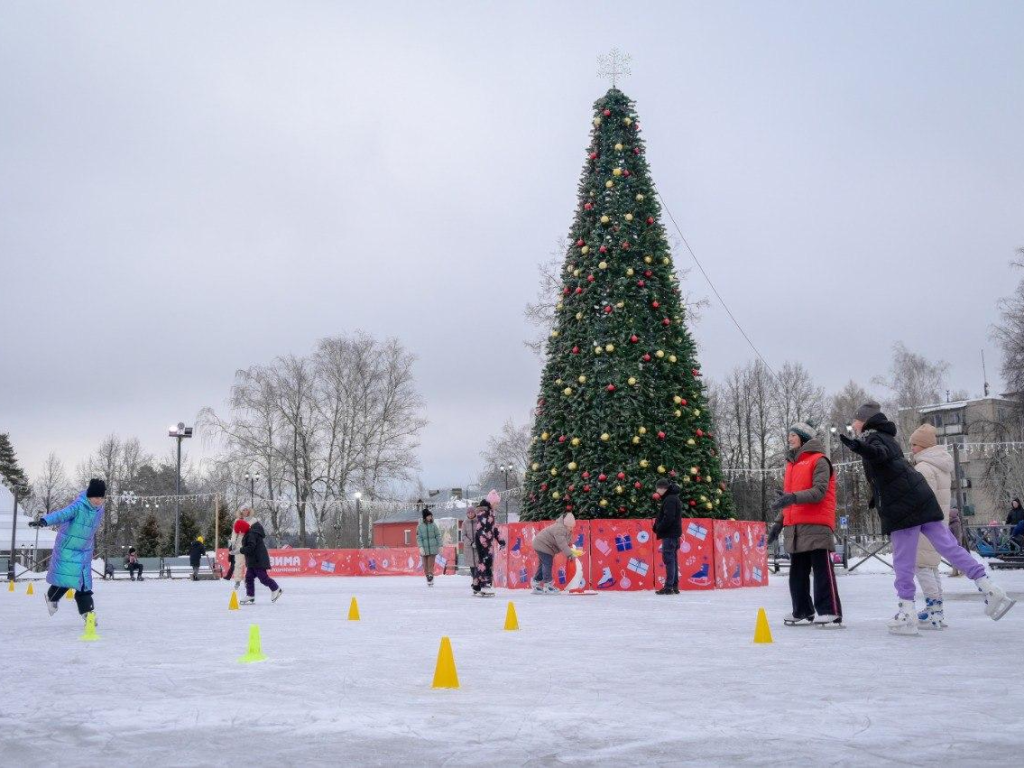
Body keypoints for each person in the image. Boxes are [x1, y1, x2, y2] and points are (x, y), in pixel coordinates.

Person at [840, 403, 1014, 634]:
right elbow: (889, 467)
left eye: (855, 419)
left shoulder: (873, 439)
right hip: (921, 499)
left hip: (903, 508)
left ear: (865, 420)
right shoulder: (885, 437)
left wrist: (860, 447)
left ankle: (906, 612)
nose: (853, 424)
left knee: (903, 561)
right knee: (950, 547)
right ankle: (989, 588)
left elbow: (879, 455)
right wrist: (876, 497)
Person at [769, 423, 843, 627]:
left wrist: (791, 498)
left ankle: (830, 611)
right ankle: (802, 610)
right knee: (797, 572)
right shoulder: (791, 465)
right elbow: (789, 502)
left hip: (816, 524)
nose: (789, 438)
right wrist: (778, 524)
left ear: (803, 438)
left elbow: (819, 492)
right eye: (789, 434)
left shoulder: (820, 461)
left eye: (793, 435)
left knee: (821, 570)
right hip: (796, 526)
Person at [29, 478, 106, 622]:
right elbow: (62, 514)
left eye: (101, 497)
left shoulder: (99, 510)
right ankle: (51, 597)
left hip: (84, 550)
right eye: (96, 497)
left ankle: (88, 613)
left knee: (83, 583)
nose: (98, 500)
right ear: (89, 496)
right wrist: (44, 520)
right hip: (68, 548)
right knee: (67, 579)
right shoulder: (78, 506)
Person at [908, 424, 954, 630]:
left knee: (922, 566)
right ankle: (938, 610)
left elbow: (921, 498)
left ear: (924, 446)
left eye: (915, 445)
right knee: (931, 565)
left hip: (924, 523)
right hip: (938, 522)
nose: (912, 449)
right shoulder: (940, 465)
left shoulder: (924, 468)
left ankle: (933, 609)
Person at [531, 512, 577, 595]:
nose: (571, 529)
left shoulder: (566, 529)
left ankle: (536, 583)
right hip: (543, 545)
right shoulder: (559, 529)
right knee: (547, 563)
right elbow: (562, 543)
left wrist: (571, 548)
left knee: (543, 564)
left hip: (542, 544)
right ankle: (548, 585)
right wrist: (569, 554)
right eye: (570, 527)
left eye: (572, 527)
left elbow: (567, 542)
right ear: (566, 525)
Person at [239, 516, 282, 604]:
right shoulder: (249, 533)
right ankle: (250, 595)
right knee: (249, 578)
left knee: (263, 578)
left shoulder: (251, 533)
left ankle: (276, 588)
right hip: (253, 561)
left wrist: (239, 550)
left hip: (258, 560)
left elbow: (251, 547)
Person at [653, 479, 683, 595]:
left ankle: (669, 586)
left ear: (662, 488)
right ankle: (674, 585)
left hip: (670, 534)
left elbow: (668, 517)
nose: (657, 491)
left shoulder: (670, 499)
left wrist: (659, 527)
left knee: (669, 560)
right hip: (673, 534)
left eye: (657, 488)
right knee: (673, 560)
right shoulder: (672, 498)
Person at [471, 499, 505, 596]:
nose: (497, 505)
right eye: (496, 503)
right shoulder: (482, 514)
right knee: (486, 561)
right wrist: (483, 541)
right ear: (491, 503)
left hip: (487, 542)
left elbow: (494, 529)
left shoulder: (491, 514)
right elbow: (479, 529)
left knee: (485, 561)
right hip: (482, 542)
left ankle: (476, 585)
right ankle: (485, 584)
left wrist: (501, 541)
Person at [223, 510, 250, 589]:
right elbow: (234, 534)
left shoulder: (250, 521)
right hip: (239, 545)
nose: (244, 513)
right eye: (243, 512)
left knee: (248, 564)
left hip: (249, 545)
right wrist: (233, 544)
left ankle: (248, 580)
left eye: (246, 511)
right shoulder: (237, 521)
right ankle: (237, 581)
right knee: (238, 563)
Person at [417, 507, 441, 587]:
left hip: (433, 548)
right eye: (428, 516)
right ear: (425, 517)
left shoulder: (433, 525)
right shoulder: (420, 526)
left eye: (431, 516)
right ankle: (428, 577)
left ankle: (430, 576)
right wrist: (420, 547)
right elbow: (419, 537)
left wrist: (440, 545)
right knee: (425, 565)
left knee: (431, 564)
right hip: (424, 548)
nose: (430, 517)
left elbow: (438, 535)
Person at [461, 507, 479, 595]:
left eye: (472, 512)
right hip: (469, 548)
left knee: (478, 565)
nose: (470, 514)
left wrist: (478, 542)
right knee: (472, 567)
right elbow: (463, 536)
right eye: (469, 513)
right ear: (467, 514)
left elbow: (481, 532)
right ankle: (474, 580)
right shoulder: (465, 523)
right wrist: (470, 543)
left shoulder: (478, 521)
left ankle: (477, 582)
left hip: (478, 547)